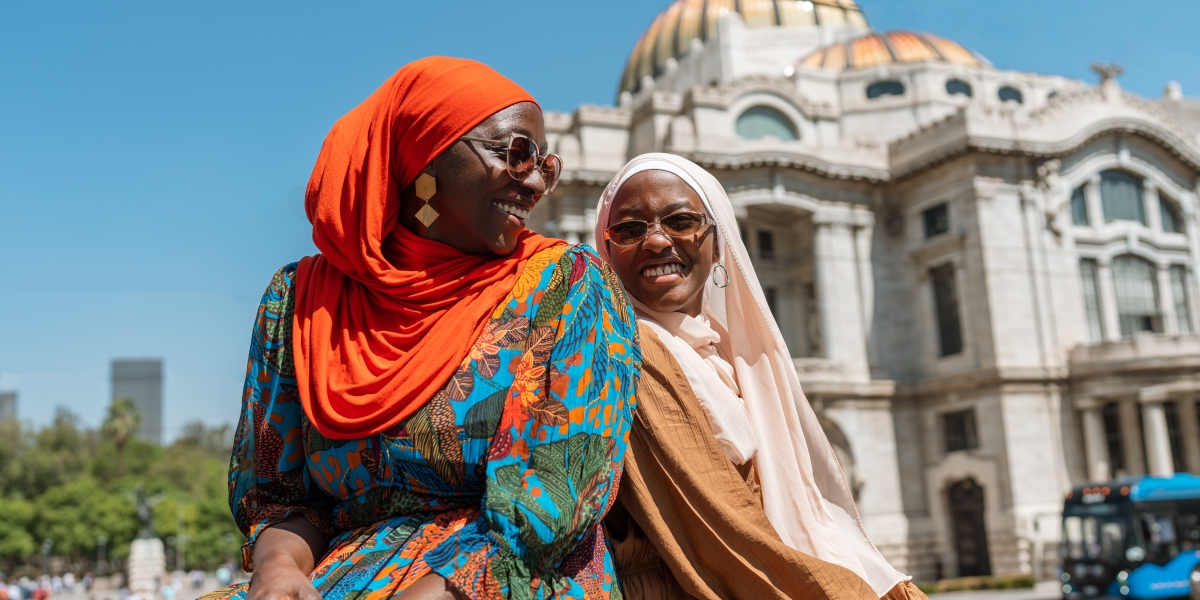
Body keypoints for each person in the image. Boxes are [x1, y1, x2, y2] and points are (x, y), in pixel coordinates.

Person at [200, 56, 640, 600]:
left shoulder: (567, 285)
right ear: (427, 155)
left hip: (510, 580)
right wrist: (278, 569)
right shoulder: (296, 303)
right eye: (517, 154)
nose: (534, 184)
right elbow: (280, 497)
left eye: (545, 165)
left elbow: (554, 494)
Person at [594, 154, 926, 600]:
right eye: (631, 229)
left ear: (717, 241)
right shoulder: (629, 352)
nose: (656, 241)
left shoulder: (724, 356)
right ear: (608, 250)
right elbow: (731, 540)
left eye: (680, 221)